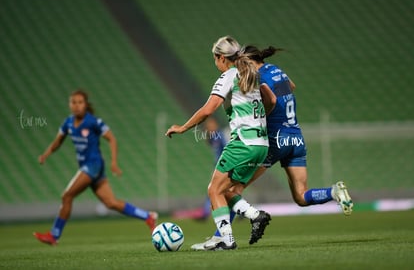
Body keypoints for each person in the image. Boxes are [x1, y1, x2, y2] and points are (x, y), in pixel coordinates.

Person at [191, 45, 354, 250]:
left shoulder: (256, 77)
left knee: (231, 189)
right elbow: (291, 86)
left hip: (275, 139)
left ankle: (223, 236)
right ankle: (333, 192)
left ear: (250, 61)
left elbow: (271, 100)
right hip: (296, 138)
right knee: (301, 197)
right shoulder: (277, 70)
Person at [165, 36, 274, 250]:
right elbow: (270, 100)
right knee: (227, 190)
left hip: (242, 143)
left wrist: (183, 128)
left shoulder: (229, 75)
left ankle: (226, 238)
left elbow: (208, 109)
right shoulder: (251, 73)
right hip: (261, 143)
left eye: (214, 58)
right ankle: (254, 215)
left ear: (220, 57)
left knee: (214, 189)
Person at [33, 90, 158, 246]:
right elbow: (58, 141)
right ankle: (148, 216)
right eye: (73, 102)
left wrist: (114, 162)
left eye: (80, 102)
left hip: (93, 165)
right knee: (111, 203)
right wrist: (46, 154)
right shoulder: (68, 123)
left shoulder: (93, 122)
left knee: (67, 196)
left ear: (85, 104)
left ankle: (54, 235)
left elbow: (111, 138)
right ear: (69, 104)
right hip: (89, 168)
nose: (77, 106)